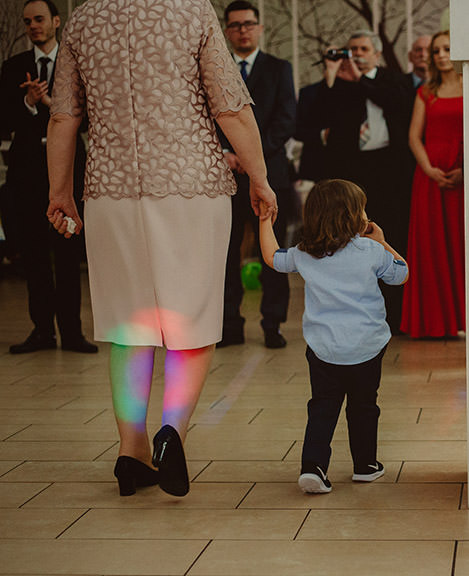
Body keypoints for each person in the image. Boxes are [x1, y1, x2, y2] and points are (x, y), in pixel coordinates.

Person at [46, 0, 277, 497]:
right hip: (190, 187)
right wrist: (259, 177)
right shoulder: (191, 11)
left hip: (110, 191)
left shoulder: (83, 18)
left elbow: (63, 117)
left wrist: (59, 191)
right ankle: (171, 433)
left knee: (129, 326)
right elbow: (230, 107)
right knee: (190, 321)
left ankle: (131, 450)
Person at [259, 179, 408, 494]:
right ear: (353, 217)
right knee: (364, 406)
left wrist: (264, 222)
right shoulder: (370, 251)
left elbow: (273, 258)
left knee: (322, 407)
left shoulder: (304, 253)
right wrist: (383, 242)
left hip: (324, 349)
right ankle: (365, 465)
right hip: (367, 347)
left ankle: (313, 467)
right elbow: (401, 274)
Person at [0, 0, 95, 355]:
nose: (33, 26)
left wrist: (50, 102)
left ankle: (72, 332)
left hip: (69, 170)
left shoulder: (77, 65)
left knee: (68, 254)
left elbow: (89, 120)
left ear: (56, 21)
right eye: (28, 21)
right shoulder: (14, 67)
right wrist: (27, 102)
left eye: (39, 19)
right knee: (34, 254)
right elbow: (3, 120)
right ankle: (42, 331)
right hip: (27, 172)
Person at [313, 30, 413, 333]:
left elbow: (395, 103)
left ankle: (395, 316)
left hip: (390, 171)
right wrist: (331, 76)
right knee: (351, 240)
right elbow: (318, 117)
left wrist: (361, 80)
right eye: (351, 49)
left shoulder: (394, 80)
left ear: (376, 54)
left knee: (389, 237)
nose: (356, 54)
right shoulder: (342, 84)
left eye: (362, 49)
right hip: (354, 173)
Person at [218, 0, 296, 350]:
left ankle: (272, 324)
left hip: (271, 175)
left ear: (260, 27)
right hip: (225, 176)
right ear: (226, 31)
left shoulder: (279, 68)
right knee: (226, 253)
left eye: (248, 24)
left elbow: (286, 120)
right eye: (235, 25)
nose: (243, 30)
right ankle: (228, 324)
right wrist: (225, 153)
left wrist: (250, 158)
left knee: (273, 253)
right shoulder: (216, 69)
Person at [401, 31, 464, 339]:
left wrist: (466, 170)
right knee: (432, 247)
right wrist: (428, 169)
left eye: (447, 49)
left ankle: (466, 318)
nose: (441, 55)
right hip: (430, 177)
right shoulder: (426, 92)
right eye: (436, 50)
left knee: (462, 245)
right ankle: (437, 323)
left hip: (463, 175)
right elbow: (414, 137)